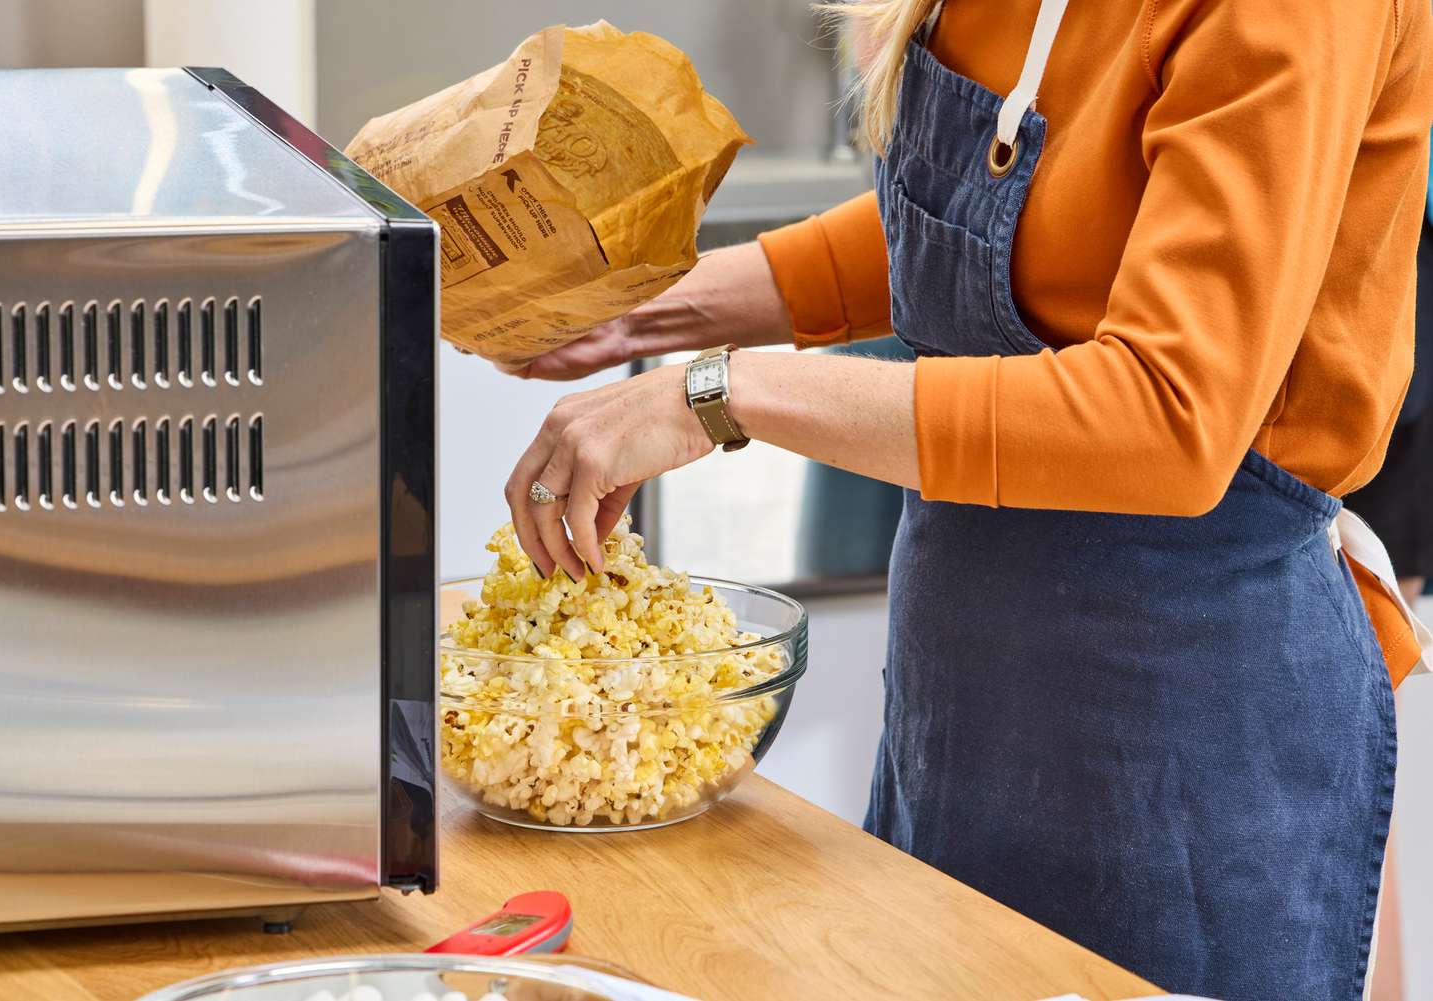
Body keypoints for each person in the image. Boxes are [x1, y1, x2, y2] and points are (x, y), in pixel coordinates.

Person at [497, 0, 1432, 996]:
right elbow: (1014, 225)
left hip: (1186, 746)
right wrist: (645, 308)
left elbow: (1168, 418)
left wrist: (725, 393)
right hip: (965, 711)